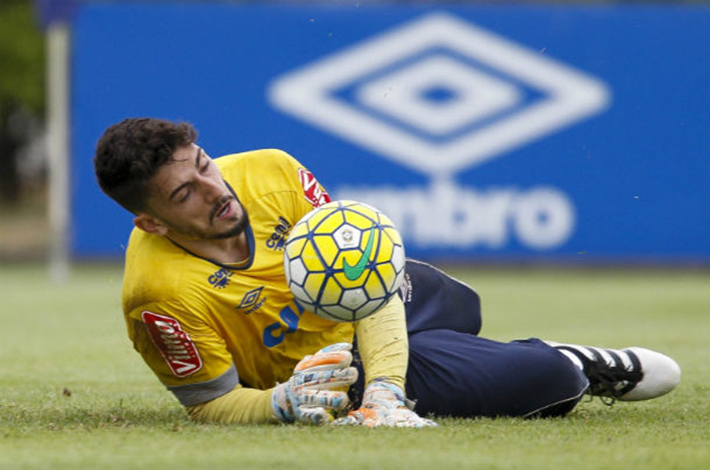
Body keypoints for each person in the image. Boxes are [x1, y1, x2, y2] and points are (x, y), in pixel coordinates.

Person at [93, 117, 681, 427]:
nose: (214, 190)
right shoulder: (155, 295)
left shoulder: (270, 169)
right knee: (546, 381)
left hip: (369, 315)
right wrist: (282, 404)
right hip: (331, 375)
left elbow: (359, 276)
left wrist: (388, 394)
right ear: (153, 224)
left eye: (205, 166)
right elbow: (209, 404)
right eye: (185, 193)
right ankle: (570, 359)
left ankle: (426, 363)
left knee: (456, 303)